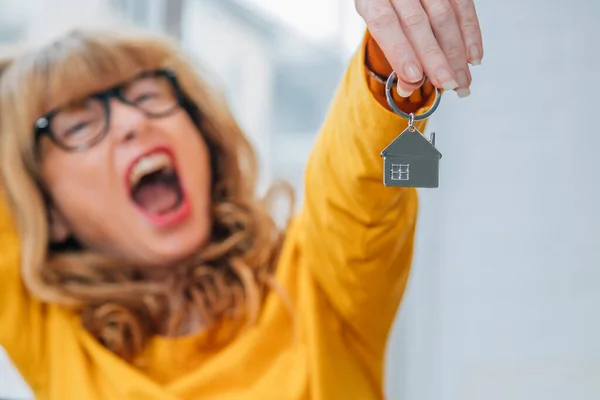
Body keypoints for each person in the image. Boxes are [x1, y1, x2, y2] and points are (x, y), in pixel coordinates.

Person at [0, 0, 482, 398]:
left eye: (149, 96)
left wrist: (389, 59)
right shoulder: (48, 330)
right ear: (47, 211)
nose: (131, 123)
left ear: (203, 140)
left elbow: (354, 183)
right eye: (80, 126)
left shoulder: (315, 284)